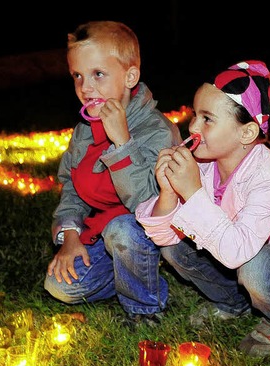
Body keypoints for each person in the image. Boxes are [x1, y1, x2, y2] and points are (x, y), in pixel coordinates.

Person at [135, 60, 270, 357]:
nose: (192, 127)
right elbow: (163, 237)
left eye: (207, 119)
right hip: (238, 252)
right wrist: (168, 191)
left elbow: (238, 253)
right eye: (194, 115)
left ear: (246, 133)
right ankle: (232, 302)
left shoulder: (268, 178)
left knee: (255, 268)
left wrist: (191, 191)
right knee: (175, 249)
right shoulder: (204, 163)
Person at [44, 21, 181, 326]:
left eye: (98, 74)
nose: (85, 87)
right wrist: (70, 235)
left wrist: (122, 143)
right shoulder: (83, 133)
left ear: (130, 76)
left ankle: (144, 305)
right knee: (62, 286)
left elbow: (148, 202)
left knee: (121, 230)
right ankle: (127, 273)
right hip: (108, 236)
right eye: (77, 76)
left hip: (155, 231)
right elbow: (72, 189)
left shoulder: (156, 130)